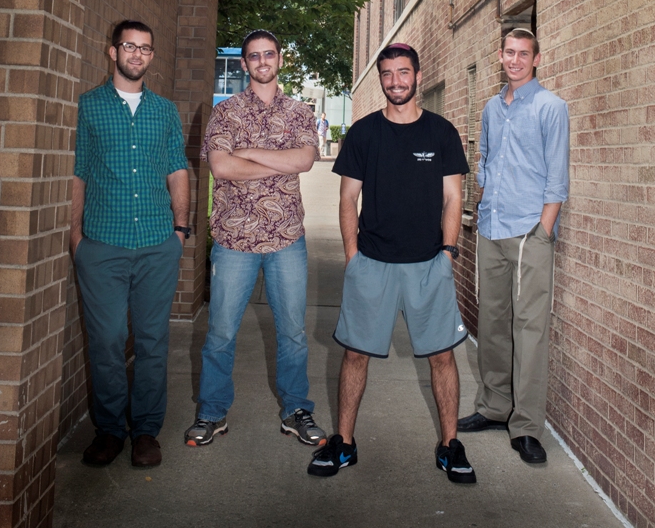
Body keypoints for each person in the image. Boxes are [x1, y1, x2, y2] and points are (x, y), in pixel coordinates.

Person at [308, 43, 476, 483]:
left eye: (403, 73)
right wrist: (352, 257)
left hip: (428, 263)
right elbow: (348, 197)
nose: (396, 81)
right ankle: (343, 443)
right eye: (387, 74)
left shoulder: (441, 132)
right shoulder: (364, 133)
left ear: (417, 76)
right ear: (381, 78)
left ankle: (450, 445)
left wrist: (448, 252)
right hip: (373, 262)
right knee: (355, 354)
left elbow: (454, 196)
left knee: (441, 356)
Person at [185, 29, 327, 449]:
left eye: (269, 54)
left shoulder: (300, 112)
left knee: (293, 333)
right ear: (244, 64)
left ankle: (296, 410)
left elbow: (305, 159)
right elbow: (221, 169)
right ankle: (211, 413)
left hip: (286, 238)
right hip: (234, 240)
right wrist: (279, 165)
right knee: (221, 333)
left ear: (280, 59)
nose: (262, 61)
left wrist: (247, 153)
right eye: (253, 56)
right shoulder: (225, 113)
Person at [72, 20, 190, 469]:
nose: (136, 54)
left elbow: (177, 170)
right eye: (129, 46)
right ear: (112, 52)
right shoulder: (90, 106)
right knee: (105, 340)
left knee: (153, 341)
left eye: (145, 48)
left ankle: (144, 431)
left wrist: (179, 232)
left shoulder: (164, 110)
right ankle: (108, 431)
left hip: (158, 244)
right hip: (102, 245)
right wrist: (75, 238)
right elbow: (79, 172)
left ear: (151, 56)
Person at [458, 28, 569, 465]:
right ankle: (493, 406)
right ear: (500, 56)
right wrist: (482, 208)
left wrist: (543, 230)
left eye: (524, 54)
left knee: (530, 329)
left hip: (529, 233)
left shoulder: (551, 107)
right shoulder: (489, 108)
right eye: (509, 52)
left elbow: (557, 177)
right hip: (492, 228)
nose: (516, 60)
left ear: (537, 59)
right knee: (493, 323)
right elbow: (484, 161)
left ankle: (525, 427)